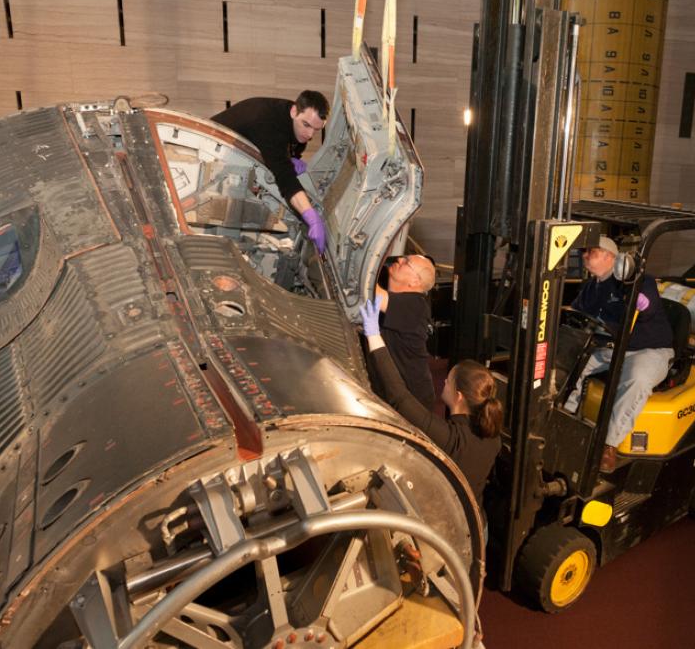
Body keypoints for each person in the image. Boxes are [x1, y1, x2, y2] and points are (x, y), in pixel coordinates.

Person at [360, 297, 503, 501]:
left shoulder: (451, 439)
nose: (444, 381)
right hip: (478, 521)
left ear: (459, 396)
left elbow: (399, 397)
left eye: (449, 381)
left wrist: (373, 336)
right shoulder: (493, 438)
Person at [563, 236, 674, 473]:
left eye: (590, 252)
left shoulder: (636, 280)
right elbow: (576, 312)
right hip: (610, 346)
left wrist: (639, 301)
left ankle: (608, 444)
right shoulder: (592, 287)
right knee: (570, 361)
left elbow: (649, 305)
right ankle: (562, 419)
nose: (584, 256)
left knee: (637, 379)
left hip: (646, 349)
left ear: (609, 256)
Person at [211, 92, 330, 253]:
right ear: (294, 112)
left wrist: (292, 157)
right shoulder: (269, 124)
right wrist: (310, 216)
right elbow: (286, 180)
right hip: (211, 158)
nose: (310, 135)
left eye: (316, 129)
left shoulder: (296, 120)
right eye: (307, 125)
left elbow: (289, 152)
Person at [372, 254, 438, 409]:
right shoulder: (395, 300)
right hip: (392, 394)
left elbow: (370, 292)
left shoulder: (416, 305)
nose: (399, 260)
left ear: (415, 281)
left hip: (413, 400)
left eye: (407, 262)